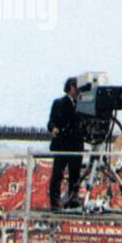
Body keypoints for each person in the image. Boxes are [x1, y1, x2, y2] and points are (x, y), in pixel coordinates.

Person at [47, 77, 84, 209]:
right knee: (58, 173)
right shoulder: (59, 103)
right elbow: (51, 122)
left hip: (76, 144)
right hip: (63, 143)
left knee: (75, 174)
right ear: (71, 87)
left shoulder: (82, 104)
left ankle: (72, 199)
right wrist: (54, 129)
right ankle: (55, 202)